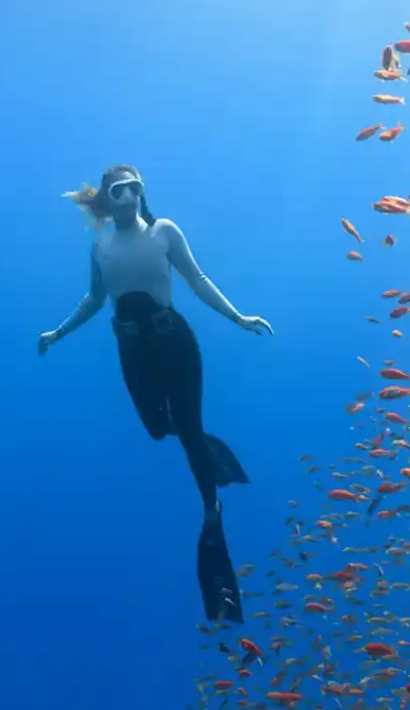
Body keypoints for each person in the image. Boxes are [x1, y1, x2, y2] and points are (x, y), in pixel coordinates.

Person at [39, 164, 273, 622]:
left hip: (175, 343)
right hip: (132, 352)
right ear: (106, 198)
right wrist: (58, 333)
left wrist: (238, 318)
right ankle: (198, 441)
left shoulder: (164, 231)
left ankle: (211, 507)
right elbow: (93, 300)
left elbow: (197, 279)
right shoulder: (100, 246)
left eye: (133, 187)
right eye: (117, 190)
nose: (126, 195)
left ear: (142, 192)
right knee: (155, 428)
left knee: (187, 429)